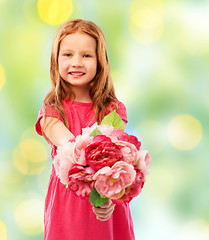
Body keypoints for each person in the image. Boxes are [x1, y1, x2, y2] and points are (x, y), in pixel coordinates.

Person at [35, 19, 136, 240]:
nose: (77, 62)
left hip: (105, 197)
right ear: (56, 60)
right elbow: (70, 148)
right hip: (68, 205)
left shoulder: (113, 109)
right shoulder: (52, 110)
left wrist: (108, 198)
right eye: (68, 55)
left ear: (100, 61)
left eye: (87, 55)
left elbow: (115, 158)